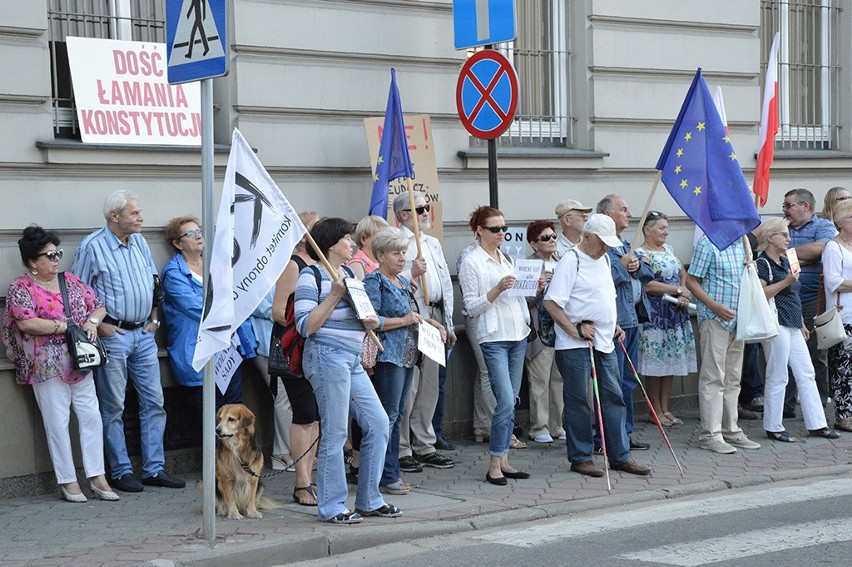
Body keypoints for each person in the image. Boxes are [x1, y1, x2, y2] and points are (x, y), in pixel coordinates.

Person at [72, 190, 185, 492]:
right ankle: (121, 471)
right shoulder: (92, 247)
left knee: (154, 402)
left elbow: (154, 283)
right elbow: (77, 295)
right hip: (115, 336)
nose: (141, 218)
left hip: (144, 335)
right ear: (114, 216)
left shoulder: (139, 242)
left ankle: (154, 469)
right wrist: (102, 327)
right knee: (114, 407)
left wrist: (155, 318)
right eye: (135, 213)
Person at [2, 226, 118, 503]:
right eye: (50, 255)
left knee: (91, 417)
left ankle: (97, 476)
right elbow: (26, 322)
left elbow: (98, 306)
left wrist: (91, 322)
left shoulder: (71, 281)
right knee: (57, 422)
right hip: (46, 366)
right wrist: (63, 325)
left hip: (81, 360)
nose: (56, 260)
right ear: (33, 261)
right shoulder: (22, 287)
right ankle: (67, 480)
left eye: (58, 254)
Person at [295, 217, 397, 524]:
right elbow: (305, 326)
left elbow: (366, 314)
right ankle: (331, 505)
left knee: (378, 423)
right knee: (337, 430)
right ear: (330, 244)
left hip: (352, 358)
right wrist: (334, 295)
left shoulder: (352, 273)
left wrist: (372, 320)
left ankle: (369, 499)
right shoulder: (310, 276)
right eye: (346, 239)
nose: (351, 243)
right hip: (327, 357)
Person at [543, 214, 650, 477]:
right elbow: (551, 303)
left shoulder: (603, 259)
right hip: (575, 344)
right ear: (587, 236)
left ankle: (619, 455)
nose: (605, 247)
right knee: (579, 400)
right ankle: (580, 457)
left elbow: (603, 296)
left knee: (614, 396)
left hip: (605, 340)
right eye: (601, 241)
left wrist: (611, 324)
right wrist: (575, 329)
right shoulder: (571, 260)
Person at [365, 227, 446, 495]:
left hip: (409, 355)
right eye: (395, 253)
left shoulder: (400, 281)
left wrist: (431, 322)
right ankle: (385, 475)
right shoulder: (375, 281)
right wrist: (404, 321)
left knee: (399, 415)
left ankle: (390, 472)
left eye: (403, 252)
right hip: (389, 355)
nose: (402, 258)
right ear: (380, 255)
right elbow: (370, 320)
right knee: (388, 417)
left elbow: (413, 313)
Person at [459, 206, 531, 485]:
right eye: (495, 229)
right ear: (479, 230)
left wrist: (528, 286)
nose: (502, 233)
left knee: (511, 400)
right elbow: (472, 307)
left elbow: (519, 296)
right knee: (504, 401)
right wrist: (498, 289)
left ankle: (503, 461)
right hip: (493, 336)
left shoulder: (506, 257)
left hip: (517, 333)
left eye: (504, 228)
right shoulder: (472, 261)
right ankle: (494, 463)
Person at [161, 215, 256, 418]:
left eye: (199, 231)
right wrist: (228, 313)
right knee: (212, 419)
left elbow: (236, 297)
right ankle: (214, 452)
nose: (198, 236)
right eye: (190, 233)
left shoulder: (215, 266)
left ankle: (234, 452)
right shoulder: (173, 273)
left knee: (234, 414)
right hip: (198, 354)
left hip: (227, 351)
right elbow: (198, 308)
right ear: (177, 243)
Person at [754, 218, 839, 442]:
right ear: (770, 238)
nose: (788, 237)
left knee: (806, 372)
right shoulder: (762, 263)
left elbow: (794, 294)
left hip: (792, 322)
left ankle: (817, 424)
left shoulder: (787, 259)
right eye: (783, 234)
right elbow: (761, 295)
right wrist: (786, 282)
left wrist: (800, 321)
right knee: (778, 374)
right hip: (776, 323)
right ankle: (773, 425)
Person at [393, 192, 456, 472]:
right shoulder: (396, 242)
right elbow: (390, 281)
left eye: (427, 207)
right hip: (413, 317)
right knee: (411, 385)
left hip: (436, 316)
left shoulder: (432, 242)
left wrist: (450, 322)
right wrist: (412, 272)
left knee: (430, 385)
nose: (426, 213)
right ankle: (403, 446)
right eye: (419, 209)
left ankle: (424, 441)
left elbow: (445, 282)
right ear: (403, 215)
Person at [685, 234, 761, 454]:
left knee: (732, 378)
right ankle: (710, 434)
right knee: (713, 376)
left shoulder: (744, 243)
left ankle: (731, 429)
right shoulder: (708, 243)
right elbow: (691, 280)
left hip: (739, 320)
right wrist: (712, 305)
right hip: (715, 318)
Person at [597, 195, 654, 451]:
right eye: (623, 209)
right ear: (608, 215)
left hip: (632, 320)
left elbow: (647, 274)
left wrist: (636, 265)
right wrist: (622, 267)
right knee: (612, 384)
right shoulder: (600, 245)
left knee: (628, 381)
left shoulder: (624, 242)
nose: (629, 214)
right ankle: (605, 439)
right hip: (614, 324)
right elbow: (600, 278)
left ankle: (625, 435)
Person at [271, 211, 320, 502]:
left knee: (315, 415)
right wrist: (306, 322)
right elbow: (278, 310)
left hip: (317, 347)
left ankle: (310, 475)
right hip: (295, 348)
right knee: (304, 412)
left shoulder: (320, 264)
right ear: (303, 236)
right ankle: (301, 483)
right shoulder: (294, 264)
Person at [635, 211, 696, 426]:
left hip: (675, 314)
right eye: (661, 228)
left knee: (670, 361)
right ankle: (654, 410)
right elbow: (648, 284)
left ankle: (666, 408)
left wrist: (684, 292)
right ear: (647, 230)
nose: (666, 232)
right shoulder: (640, 253)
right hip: (655, 316)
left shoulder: (669, 249)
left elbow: (682, 273)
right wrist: (676, 289)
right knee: (655, 363)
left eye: (667, 228)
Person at [783, 188, 835, 416]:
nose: (784, 209)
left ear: (805, 206)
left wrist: (786, 254)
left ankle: (818, 404)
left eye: (788, 205)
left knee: (815, 354)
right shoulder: (781, 226)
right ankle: (786, 406)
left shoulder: (823, 226)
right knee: (785, 354)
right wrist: (803, 257)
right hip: (785, 299)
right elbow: (768, 253)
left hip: (814, 299)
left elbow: (820, 248)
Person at [524, 220, 566, 443]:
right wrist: (538, 287)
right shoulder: (528, 265)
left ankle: (556, 425)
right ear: (534, 244)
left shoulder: (563, 261)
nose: (551, 241)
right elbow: (522, 299)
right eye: (545, 238)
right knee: (539, 379)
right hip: (539, 330)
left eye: (553, 237)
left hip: (562, 329)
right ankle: (538, 427)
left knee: (558, 379)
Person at [250, 286, 293, 471]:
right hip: (265, 342)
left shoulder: (281, 268)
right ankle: (282, 453)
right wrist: (289, 314)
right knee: (283, 395)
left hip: (285, 343)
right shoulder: (256, 270)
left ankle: (286, 451)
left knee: (287, 395)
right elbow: (258, 306)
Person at [822, 199, 852, 433]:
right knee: (843, 368)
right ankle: (843, 414)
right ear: (840, 222)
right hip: (844, 317)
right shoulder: (833, 247)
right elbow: (833, 282)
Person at [347, 215, 389, 280]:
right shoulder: (357, 264)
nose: (385, 240)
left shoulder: (384, 261)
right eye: (379, 237)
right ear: (363, 239)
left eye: (386, 237)